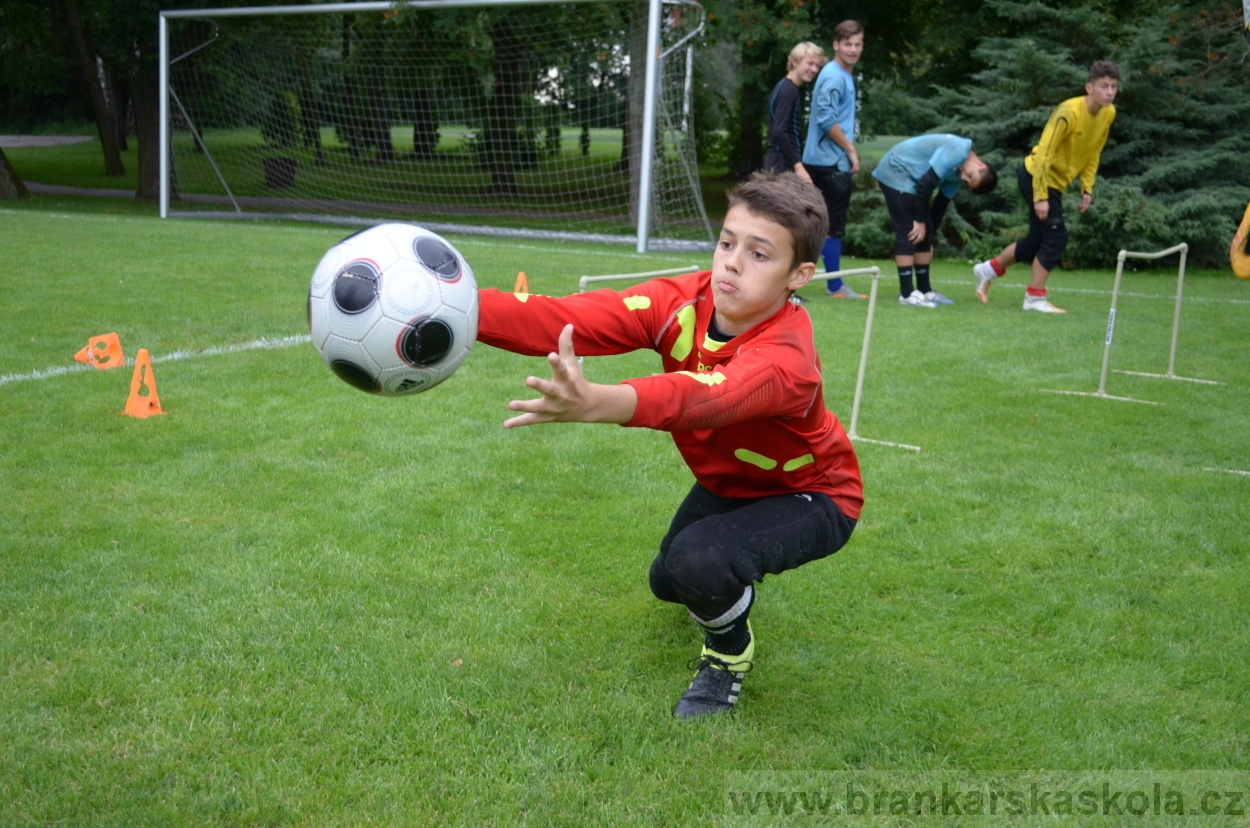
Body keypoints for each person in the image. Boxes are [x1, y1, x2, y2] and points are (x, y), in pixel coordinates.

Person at [475, 171, 863, 719]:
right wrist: (460, 308)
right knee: (668, 582)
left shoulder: (787, 361)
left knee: (698, 562)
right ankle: (725, 590)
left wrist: (596, 403)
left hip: (814, 496)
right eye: (727, 243)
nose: (731, 262)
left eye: (759, 255)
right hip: (731, 483)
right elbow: (568, 317)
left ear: (799, 274)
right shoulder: (684, 301)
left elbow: (700, 397)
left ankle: (727, 655)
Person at [972, 61, 1120, 313]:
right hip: (1035, 177)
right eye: (1103, 86)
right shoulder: (1068, 112)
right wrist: (1041, 196)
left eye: (1114, 87)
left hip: (1055, 184)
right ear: (1089, 87)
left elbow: (1094, 151)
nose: (1109, 92)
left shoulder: (1109, 113)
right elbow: (1044, 155)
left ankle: (986, 270)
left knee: (1035, 240)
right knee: (1056, 237)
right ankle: (1034, 299)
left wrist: (1087, 188)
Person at [871, 134, 997, 307]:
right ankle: (906, 294)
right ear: (980, 164)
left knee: (926, 229)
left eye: (968, 182)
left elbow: (940, 205)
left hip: (912, 179)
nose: (964, 179)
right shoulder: (958, 151)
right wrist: (919, 220)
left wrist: (929, 236)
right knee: (908, 229)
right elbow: (925, 184)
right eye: (970, 176)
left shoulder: (958, 172)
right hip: (896, 170)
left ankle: (924, 290)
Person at [802, 19, 866, 299]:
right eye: (848, 44)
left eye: (858, 44)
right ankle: (835, 286)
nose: (853, 50)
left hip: (826, 160)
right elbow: (826, 119)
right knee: (831, 225)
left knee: (814, 223)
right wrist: (850, 149)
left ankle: (831, 284)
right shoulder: (834, 75)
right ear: (836, 45)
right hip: (828, 162)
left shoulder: (841, 74)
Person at [764, 42, 827, 184]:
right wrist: (798, 167)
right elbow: (779, 131)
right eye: (810, 63)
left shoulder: (785, 87)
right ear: (794, 61)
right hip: (780, 164)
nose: (814, 69)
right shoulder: (788, 91)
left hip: (780, 161)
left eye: (817, 66)